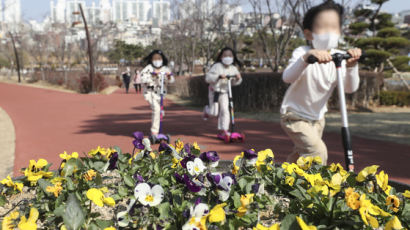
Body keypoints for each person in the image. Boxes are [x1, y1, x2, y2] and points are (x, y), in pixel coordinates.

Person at [280, 0, 362, 165]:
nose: (330, 32)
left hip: (317, 119)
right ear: (309, 34)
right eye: (323, 27)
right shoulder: (302, 53)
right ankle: (316, 188)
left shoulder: (339, 56)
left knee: (301, 156)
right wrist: (307, 58)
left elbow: (349, 88)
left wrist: (352, 65)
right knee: (317, 152)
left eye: (334, 27)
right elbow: (287, 77)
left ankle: (281, 180)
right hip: (294, 116)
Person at [203, 47, 242, 137]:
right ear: (221, 57)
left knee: (225, 110)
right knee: (214, 112)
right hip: (214, 91)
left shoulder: (233, 68)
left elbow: (235, 82)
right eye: (225, 55)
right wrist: (218, 76)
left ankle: (224, 129)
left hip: (224, 92)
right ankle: (207, 110)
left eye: (230, 55)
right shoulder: (216, 66)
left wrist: (238, 78)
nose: (227, 57)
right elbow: (208, 78)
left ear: (233, 57)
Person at [140, 50, 175, 136]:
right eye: (155, 59)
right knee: (156, 109)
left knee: (159, 111)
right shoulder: (148, 68)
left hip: (161, 93)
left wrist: (169, 76)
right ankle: (154, 131)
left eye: (159, 59)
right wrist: (152, 75)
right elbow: (143, 79)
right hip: (150, 93)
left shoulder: (165, 69)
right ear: (151, 60)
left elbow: (171, 80)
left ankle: (158, 121)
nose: (157, 61)